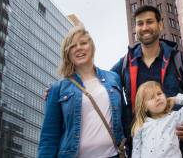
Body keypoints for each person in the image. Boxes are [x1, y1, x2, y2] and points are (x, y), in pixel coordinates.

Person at [111, 5, 183, 156]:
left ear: (160, 25)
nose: (144, 27)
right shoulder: (125, 63)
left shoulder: (178, 59)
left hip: (179, 151)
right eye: (140, 23)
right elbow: (105, 85)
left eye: (149, 22)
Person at [38, 25, 126, 158]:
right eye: (73, 46)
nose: (78, 48)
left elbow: (125, 119)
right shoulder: (58, 89)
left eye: (83, 43)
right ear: (67, 53)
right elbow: (49, 136)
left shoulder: (113, 78)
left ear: (92, 47)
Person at [130, 81, 183, 158]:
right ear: (144, 107)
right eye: (151, 97)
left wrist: (175, 99)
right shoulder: (140, 126)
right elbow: (136, 153)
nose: (157, 98)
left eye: (159, 94)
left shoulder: (174, 117)